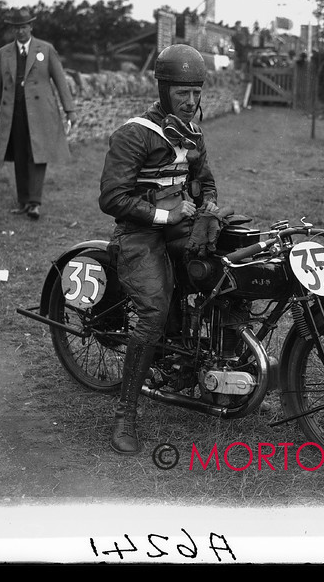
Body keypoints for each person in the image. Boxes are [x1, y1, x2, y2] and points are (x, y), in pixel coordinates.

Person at [98, 44, 219, 454]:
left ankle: (210, 364)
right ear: (164, 90)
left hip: (180, 226)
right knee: (153, 310)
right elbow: (113, 198)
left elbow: (205, 180)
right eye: (182, 93)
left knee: (224, 273)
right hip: (138, 234)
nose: (191, 101)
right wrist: (165, 216)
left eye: (197, 92)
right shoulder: (134, 134)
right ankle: (125, 414)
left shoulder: (193, 132)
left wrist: (209, 206)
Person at [0, 8, 77, 220]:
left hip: (41, 113)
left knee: (37, 155)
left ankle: (34, 203)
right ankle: (23, 201)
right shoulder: (4, 53)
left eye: (24, 27)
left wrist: (70, 110)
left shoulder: (45, 49)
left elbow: (60, 81)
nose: (20, 32)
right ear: (13, 30)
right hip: (15, 113)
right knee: (19, 156)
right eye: (16, 28)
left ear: (31, 27)